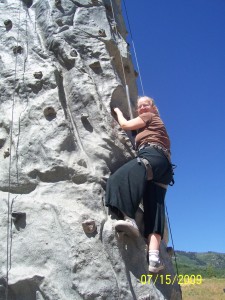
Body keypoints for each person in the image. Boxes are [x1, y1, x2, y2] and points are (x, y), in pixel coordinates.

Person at [105, 96, 174, 273]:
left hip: (153, 157)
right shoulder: (153, 125)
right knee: (155, 209)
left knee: (118, 178)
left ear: (153, 107)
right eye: (140, 106)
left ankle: (129, 219)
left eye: (146, 105)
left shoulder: (150, 117)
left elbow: (126, 126)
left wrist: (119, 112)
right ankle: (154, 260)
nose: (143, 108)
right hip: (163, 167)